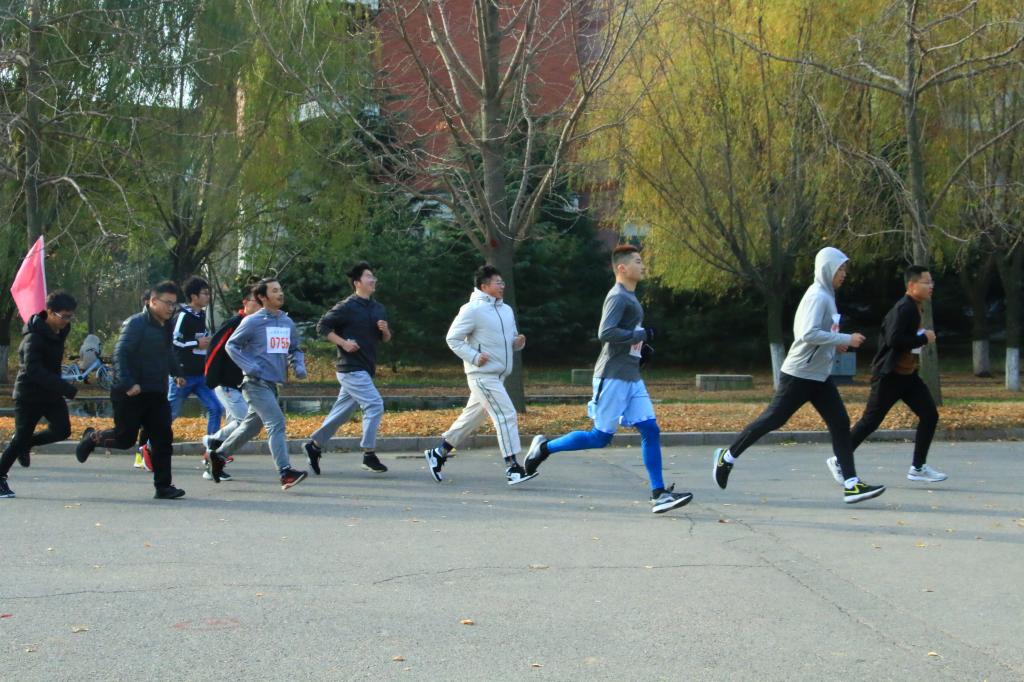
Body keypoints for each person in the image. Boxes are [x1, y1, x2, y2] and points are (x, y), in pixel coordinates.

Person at [519, 245, 693, 513]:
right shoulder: (618, 297)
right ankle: (544, 449)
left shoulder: (630, 297)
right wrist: (641, 335)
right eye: (638, 261)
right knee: (600, 437)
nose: (643, 265)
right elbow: (606, 333)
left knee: (651, 429)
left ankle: (658, 493)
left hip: (632, 376)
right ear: (622, 268)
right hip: (612, 376)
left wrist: (641, 348)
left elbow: (625, 335)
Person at [711, 247, 886, 504]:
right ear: (827, 269)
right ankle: (726, 457)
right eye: (839, 269)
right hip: (800, 374)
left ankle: (851, 484)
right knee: (773, 420)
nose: (844, 274)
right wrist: (844, 338)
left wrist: (835, 343)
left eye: (844, 269)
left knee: (840, 422)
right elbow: (807, 333)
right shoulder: (818, 296)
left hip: (819, 376)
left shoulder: (827, 295)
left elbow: (820, 334)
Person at [827, 265, 945, 484]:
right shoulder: (905, 308)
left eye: (932, 282)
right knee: (870, 421)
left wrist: (920, 339)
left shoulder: (916, 306)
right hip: (890, 376)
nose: (931, 286)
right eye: (926, 282)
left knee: (930, 415)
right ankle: (838, 460)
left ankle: (918, 468)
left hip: (908, 376)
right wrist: (924, 338)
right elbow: (894, 339)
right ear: (912, 285)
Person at [423, 265, 536, 486]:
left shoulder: (506, 310)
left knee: (472, 417)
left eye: (503, 282)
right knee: (506, 414)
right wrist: (474, 356)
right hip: (482, 375)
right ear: (484, 286)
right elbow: (452, 339)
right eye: (497, 283)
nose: (502, 286)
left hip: (499, 376)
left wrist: (518, 343)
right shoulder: (472, 309)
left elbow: (510, 340)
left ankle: (439, 452)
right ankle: (513, 467)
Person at [75, 281, 186, 500]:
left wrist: (177, 372)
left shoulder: (166, 325)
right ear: (153, 301)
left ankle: (163, 487)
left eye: (174, 304)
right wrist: (128, 383)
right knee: (125, 439)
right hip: (130, 392)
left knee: (163, 438)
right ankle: (92, 437)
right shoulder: (136, 324)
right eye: (167, 303)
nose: (171, 308)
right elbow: (121, 354)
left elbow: (168, 352)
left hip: (156, 392)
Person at [205, 278, 308, 490]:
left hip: (273, 385)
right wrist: (249, 366)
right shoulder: (252, 321)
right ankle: (285, 472)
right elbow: (231, 345)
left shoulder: (287, 322)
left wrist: (298, 365)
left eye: (280, 290)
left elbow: (295, 349)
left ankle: (219, 455)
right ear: (262, 297)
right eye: (274, 291)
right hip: (254, 384)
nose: (280, 294)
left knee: (251, 427)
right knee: (276, 423)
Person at [303, 262, 391, 475]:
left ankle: (314, 445)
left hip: (366, 367)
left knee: (341, 414)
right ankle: (369, 454)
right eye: (369, 276)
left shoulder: (378, 308)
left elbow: (385, 339)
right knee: (374, 404)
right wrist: (343, 343)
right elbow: (322, 326)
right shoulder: (346, 306)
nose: (373, 280)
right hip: (350, 367)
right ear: (357, 282)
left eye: (373, 276)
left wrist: (385, 330)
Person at [0, 292, 79, 499]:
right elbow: (33, 370)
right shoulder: (33, 338)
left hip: (50, 393)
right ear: (50, 313)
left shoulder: (61, 330)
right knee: (20, 438)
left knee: (62, 430)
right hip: (29, 395)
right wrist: (64, 387)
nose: (67, 321)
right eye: (64, 316)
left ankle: (26, 443)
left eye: (70, 316)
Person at [199, 286, 262, 481]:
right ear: (245, 302)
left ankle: (212, 454)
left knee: (237, 423)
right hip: (226, 383)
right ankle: (214, 445)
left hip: (244, 384)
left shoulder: (259, 325)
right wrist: (212, 377)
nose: (260, 307)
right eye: (256, 302)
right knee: (245, 422)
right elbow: (214, 349)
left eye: (263, 303)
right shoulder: (234, 323)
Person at [167, 276, 223, 433]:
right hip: (182, 375)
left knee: (216, 408)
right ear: (193, 296)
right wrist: (196, 343)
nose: (208, 297)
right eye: (205, 293)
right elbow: (174, 341)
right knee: (170, 414)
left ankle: (211, 445)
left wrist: (208, 342)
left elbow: (200, 339)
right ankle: (150, 445)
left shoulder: (202, 315)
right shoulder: (182, 315)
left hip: (200, 375)